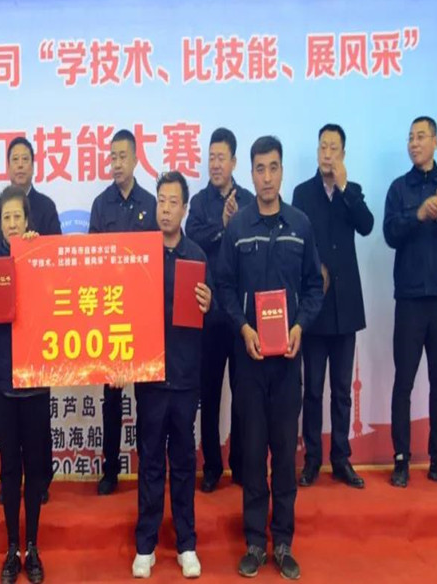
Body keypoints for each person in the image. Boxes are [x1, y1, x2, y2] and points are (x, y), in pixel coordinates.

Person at [217, 136, 323, 580]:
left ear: (281, 171)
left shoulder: (300, 224)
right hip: (250, 361)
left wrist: (300, 326)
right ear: (251, 173)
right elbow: (224, 287)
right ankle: (254, 543)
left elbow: (314, 286)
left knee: (283, 453)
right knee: (252, 451)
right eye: (259, 169)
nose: (266, 177)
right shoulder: (238, 227)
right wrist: (243, 328)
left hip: (287, 361)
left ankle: (282, 541)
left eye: (273, 167)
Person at [130, 171, 213, 580]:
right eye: (160, 201)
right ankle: (145, 545)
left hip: (184, 376)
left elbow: (210, 315)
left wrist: (209, 302)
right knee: (149, 463)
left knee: (182, 463)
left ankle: (186, 544)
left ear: (184, 208)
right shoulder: (139, 254)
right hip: (149, 377)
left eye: (172, 202)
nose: (165, 209)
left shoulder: (196, 256)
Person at [383, 116, 437, 489]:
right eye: (410, 137)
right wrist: (417, 214)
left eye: (421, 136)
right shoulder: (399, 188)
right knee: (403, 381)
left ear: (435, 141)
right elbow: (389, 233)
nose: (414, 143)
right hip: (409, 299)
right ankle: (401, 458)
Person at [0, 186, 49, 584]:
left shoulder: (41, 257)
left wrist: (39, 254)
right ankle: (11, 548)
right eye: (6, 217)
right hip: (3, 381)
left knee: (35, 469)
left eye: (18, 216)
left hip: (36, 380)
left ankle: (32, 546)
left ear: (27, 220)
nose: (13, 223)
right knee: (9, 469)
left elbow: (59, 305)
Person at [0, 135, 60, 506]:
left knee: (37, 426)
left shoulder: (47, 208)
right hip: (3, 345)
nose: (12, 222)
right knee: (9, 433)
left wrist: (34, 250)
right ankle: (10, 483)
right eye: (15, 158)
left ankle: (40, 481)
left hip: (37, 342)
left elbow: (57, 263)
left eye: (26, 158)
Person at [292, 124, 373, 489]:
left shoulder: (351, 191)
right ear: (317, 152)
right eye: (323, 147)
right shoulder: (302, 193)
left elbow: (367, 226)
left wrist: (345, 188)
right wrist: (315, 268)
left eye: (333, 148)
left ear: (342, 154)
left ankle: (341, 458)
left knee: (342, 390)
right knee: (313, 390)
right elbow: (296, 242)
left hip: (346, 307)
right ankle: (312, 459)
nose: (327, 153)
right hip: (314, 307)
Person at [185, 127, 254, 492]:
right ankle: (211, 465)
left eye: (221, 158)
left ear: (234, 162)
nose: (215, 164)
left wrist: (235, 225)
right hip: (209, 314)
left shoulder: (249, 200)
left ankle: (240, 463)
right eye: (211, 158)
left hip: (241, 316)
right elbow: (194, 237)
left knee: (243, 394)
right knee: (209, 395)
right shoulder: (198, 203)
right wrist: (223, 228)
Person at [89, 128, 158, 495]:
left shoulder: (151, 202)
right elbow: (93, 259)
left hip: (144, 314)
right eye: (112, 157)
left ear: (135, 159)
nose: (116, 163)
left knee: (147, 397)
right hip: (113, 311)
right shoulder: (101, 205)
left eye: (122, 157)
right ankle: (110, 469)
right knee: (112, 396)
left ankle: (148, 466)